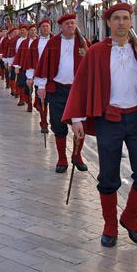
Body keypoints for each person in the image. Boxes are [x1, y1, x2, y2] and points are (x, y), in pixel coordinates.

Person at [63, 3, 137, 248]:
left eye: (126, 18)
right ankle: (110, 225)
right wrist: (76, 119)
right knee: (108, 176)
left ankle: (130, 217)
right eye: (116, 18)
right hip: (109, 120)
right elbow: (81, 84)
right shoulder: (97, 51)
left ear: (131, 22)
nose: (121, 23)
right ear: (108, 23)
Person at [34, 14, 89, 172]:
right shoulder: (53, 43)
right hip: (57, 89)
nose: (71, 26)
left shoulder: (83, 42)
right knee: (58, 125)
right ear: (61, 27)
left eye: (73, 23)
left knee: (80, 125)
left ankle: (77, 156)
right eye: (67, 24)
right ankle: (62, 158)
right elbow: (44, 65)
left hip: (78, 90)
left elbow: (92, 64)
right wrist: (41, 86)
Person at [23, 19, 51, 121]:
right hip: (39, 75)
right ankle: (43, 122)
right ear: (40, 29)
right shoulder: (35, 43)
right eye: (43, 26)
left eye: (47, 26)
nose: (45, 28)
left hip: (53, 76)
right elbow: (30, 59)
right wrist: (29, 76)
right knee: (42, 100)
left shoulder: (55, 41)